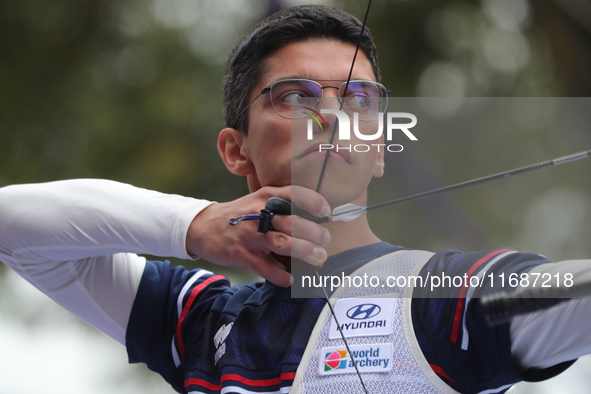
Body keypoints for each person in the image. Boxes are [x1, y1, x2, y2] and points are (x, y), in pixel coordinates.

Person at [1, 5, 591, 394]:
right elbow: (11, 226)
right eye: (294, 96)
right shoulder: (200, 321)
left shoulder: (446, 300)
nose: (331, 117)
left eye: (359, 99)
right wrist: (196, 226)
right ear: (236, 151)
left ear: (380, 148)